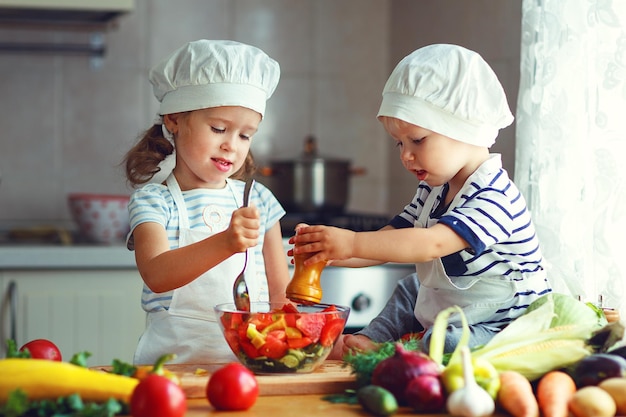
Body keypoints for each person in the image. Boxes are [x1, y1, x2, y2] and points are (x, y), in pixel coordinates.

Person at [291, 44, 553, 358]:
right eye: (399, 143)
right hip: (456, 306)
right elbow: (386, 240)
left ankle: (404, 350)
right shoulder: (434, 190)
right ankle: (374, 338)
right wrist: (329, 252)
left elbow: (431, 244)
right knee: (409, 289)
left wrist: (351, 243)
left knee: (448, 343)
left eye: (417, 140)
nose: (405, 154)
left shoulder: (495, 196)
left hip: (503, 323)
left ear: (463, 127)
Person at [123, 40, 289, 364]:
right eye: (218, 128)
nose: (231, 146)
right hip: (171, 375)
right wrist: (225, 242)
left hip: (249, 374)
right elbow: (157, 275)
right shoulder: (154, 202)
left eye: (245, 135)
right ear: (174, 119)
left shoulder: (258, 201)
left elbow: (279, 296)